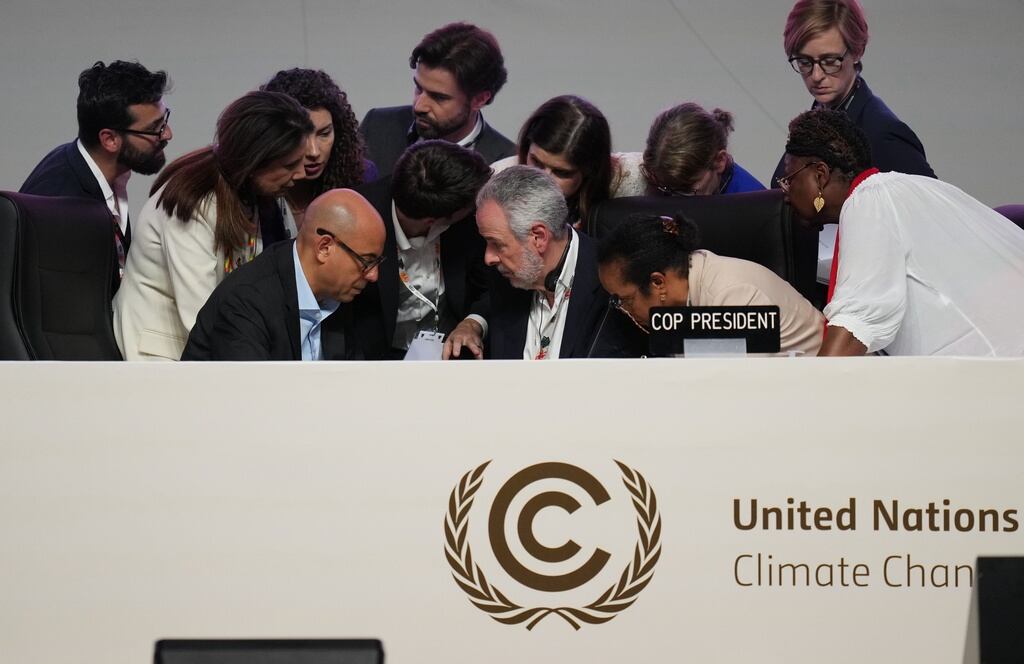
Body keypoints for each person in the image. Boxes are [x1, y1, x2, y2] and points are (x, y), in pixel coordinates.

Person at [779, 109, 1024, 357]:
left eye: (788, 179)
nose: (785, 194)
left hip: (1000, 372)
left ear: (820, 175)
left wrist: (807, 391)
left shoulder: (869, 202)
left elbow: (854, 326)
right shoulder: (900, 189)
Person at [113, 91, 313, 361]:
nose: (300, 174)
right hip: (162, 355)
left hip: (218, 347)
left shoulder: (261, 198)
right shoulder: (193, 204)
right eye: (290, 165)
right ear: (254, 162)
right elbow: (199, 312)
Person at [443, 166, 632, 360]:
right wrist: (472, 323)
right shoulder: (507, 273)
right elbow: (488, 303)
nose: (488, 258)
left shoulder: (614, 282)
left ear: (538, 237)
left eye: (497, 244)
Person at [182, 189, 386, 361]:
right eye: (366, 262)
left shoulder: (345, 295)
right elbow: (250, 399)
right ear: (324, 248)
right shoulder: (247, 301)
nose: (373, 276)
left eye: (377, 263)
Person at [20, 60, 171, 288]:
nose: (167, 134)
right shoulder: (65, 210)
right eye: (155, 128)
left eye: (165, 120)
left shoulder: (94, 168)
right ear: (110, 139)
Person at [597, 214, 824, 356]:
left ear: (658, 282)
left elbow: (731, 394)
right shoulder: (679, 305)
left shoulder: (733, 297)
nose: (624, 311)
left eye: (625, 300)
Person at [352, 140, 492, 359]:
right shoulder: (356, 217)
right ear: (434, 221)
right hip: (373, 360)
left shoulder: (469, 219)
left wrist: (473, 323)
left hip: (451, 358)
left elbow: (491, 287)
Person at [771, 0, 935, 184]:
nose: (816, 76)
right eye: (804, 62)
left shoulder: (883, 134)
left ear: (858, 51)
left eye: (830, 61)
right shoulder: (817, 117)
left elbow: (931, 208)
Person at [359, 22, 515, 177]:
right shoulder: (377, 126)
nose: (419, 106)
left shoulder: (510, 164)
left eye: (439, 97)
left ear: (479, 99)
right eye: (419, 88)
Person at [491, 95, 646, 229]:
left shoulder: (630, 181)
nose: (543, 180)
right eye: (536, 162)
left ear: (590, 170)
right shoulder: (497, 179)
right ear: (527, 145)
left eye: (562, 172)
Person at [261, 68, 376, 234]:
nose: (314, 152)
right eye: (302, 137)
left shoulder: (362, 176)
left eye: (324, 133)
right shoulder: (258, 188)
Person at [642, 102, 764, 198]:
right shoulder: (656, 174)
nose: (676, 199)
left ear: (720, 160)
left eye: (687, 190)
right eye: (666, 189)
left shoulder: (756, 206)